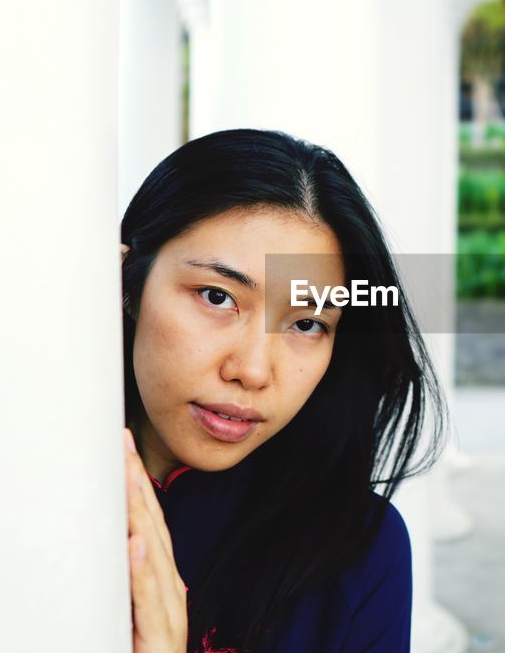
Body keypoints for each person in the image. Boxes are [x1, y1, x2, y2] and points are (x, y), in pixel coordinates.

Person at [117, 129, 447, 652]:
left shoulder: (361, 552)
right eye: (217, 296)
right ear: (127, 282)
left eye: (307, 324)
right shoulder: (19, 485)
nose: (252, 370)